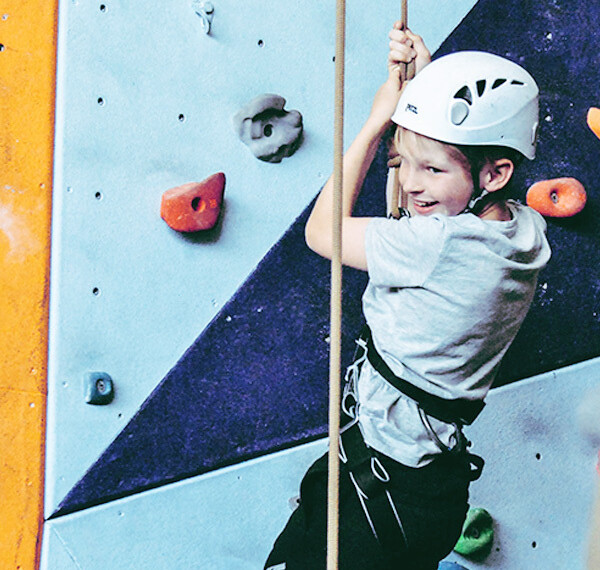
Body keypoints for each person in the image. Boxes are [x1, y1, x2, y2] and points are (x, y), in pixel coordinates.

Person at [265, 21, 551, 570]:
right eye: (404, 163)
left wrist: (377, 124)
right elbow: (418, 213)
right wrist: (421, 92)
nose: (414, 182)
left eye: (433, 168)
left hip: (384, 486)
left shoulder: (440, 245)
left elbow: (322, 232)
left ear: (497, 172)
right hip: (423, 486)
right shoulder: (523, 231)